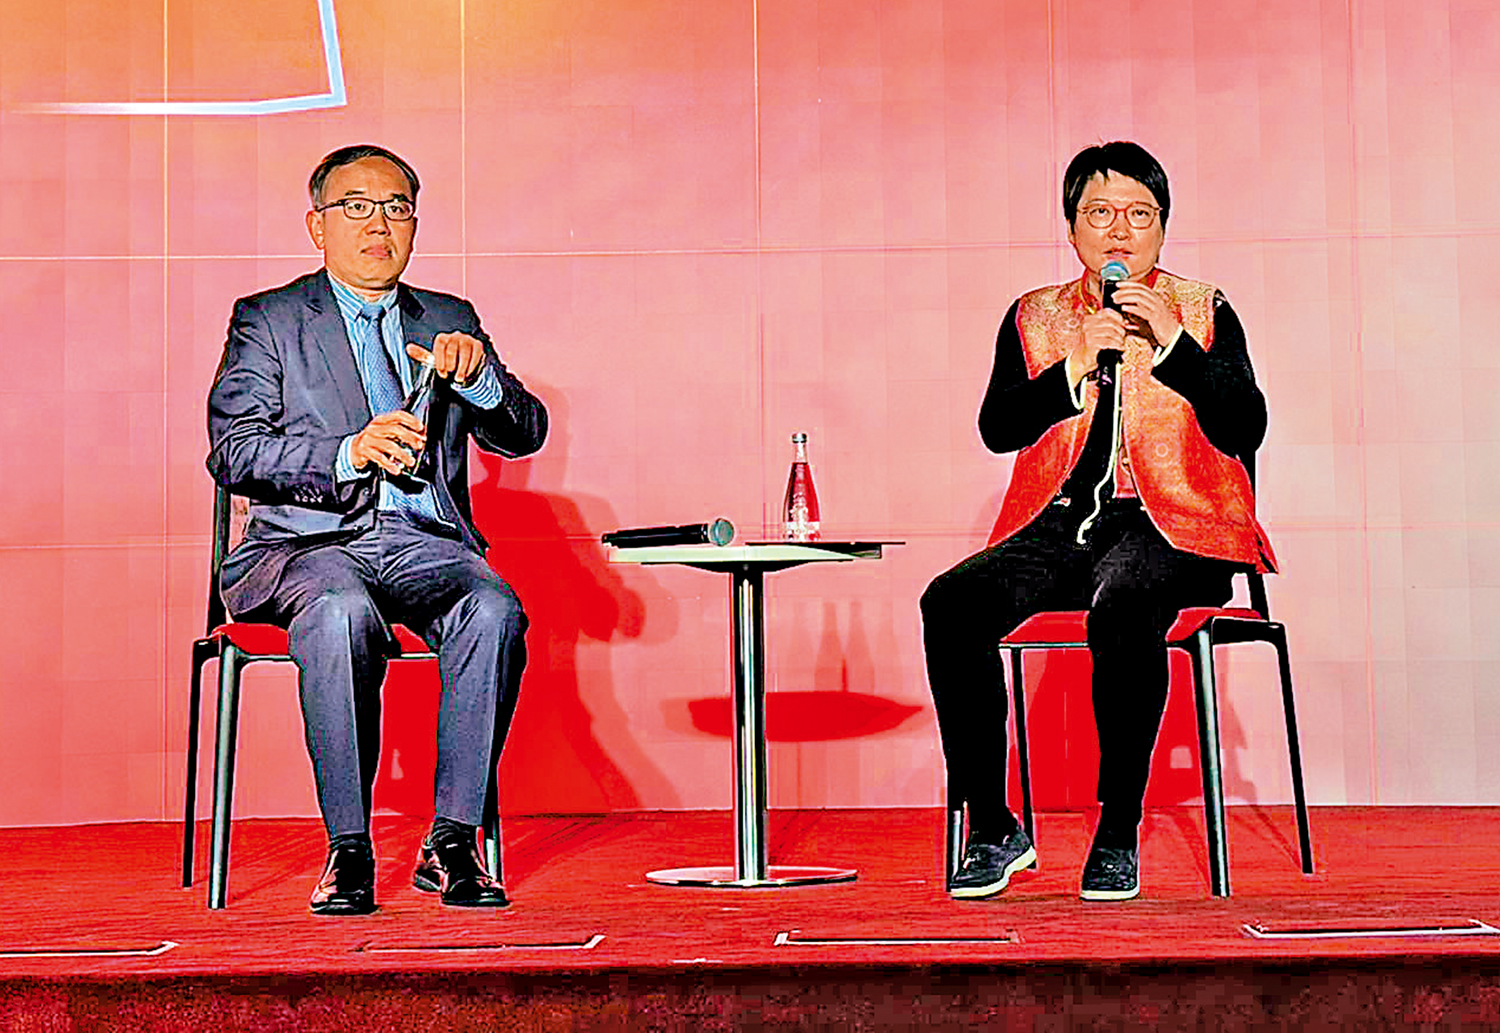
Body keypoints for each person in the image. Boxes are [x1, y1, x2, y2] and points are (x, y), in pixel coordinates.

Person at [921, 141, 1275, 902]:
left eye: (1139, 215)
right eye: (1101, 213)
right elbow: (997, 428)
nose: (1120, 231)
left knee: (1126, 600)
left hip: (1181, 527)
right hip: (1065, 525)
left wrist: (1176, 348)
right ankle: (994, 826)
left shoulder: (1204, 309)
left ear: (1163, 227)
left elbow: (1246, 423)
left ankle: (1117, 831)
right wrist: (1070, 368)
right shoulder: (1036, 316)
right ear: (1072, 227)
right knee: (950, 603)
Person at [207, 144, 548, 915]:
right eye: (356, 207)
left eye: (396, 208)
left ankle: (451, 840)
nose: (378, 225)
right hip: (307, 544)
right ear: (317, 225)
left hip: (425, 545)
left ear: (415, 223)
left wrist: (482, 382)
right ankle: (348, 847)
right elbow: (234, 452)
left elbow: (524, 432)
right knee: (338, 611)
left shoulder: (450, 318)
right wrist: (348, 452)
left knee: (493, 608)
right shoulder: (269, 319)